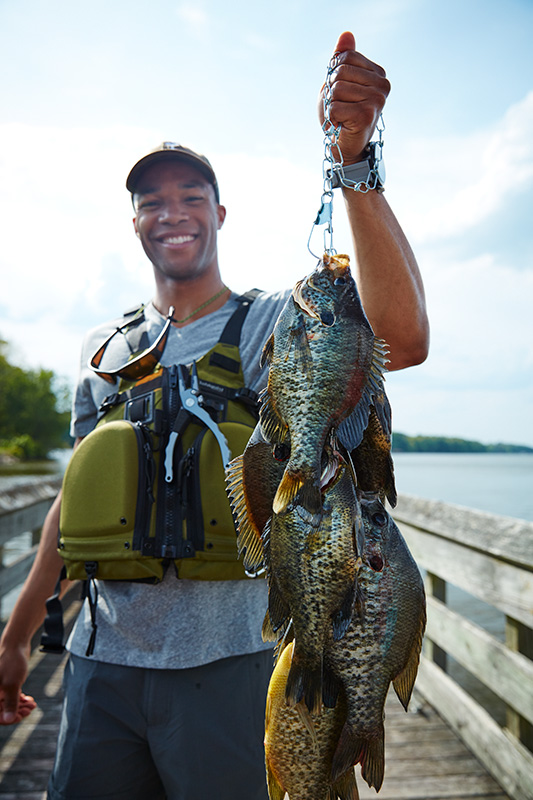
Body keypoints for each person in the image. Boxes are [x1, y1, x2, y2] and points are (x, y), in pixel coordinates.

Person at [0, 31, 429, 800]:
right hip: (100, 665)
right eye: (151, 202)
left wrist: (354, 163)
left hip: (233, 661)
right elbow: (75, 503)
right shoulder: (106, 351)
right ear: (134, 222)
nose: (172, 213)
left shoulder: (276, 323)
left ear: (220, 212)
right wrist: (19, 631)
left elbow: (400, 335)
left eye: (190, 197)